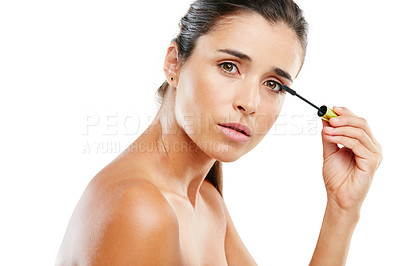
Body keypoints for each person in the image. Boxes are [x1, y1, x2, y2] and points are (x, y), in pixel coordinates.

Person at [56, 0, 382, 265]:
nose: (249, 103)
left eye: (273, 84)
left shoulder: (206, 204)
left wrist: (343, 208)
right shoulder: (141, 209)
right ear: (174, 63)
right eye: (229, 66)